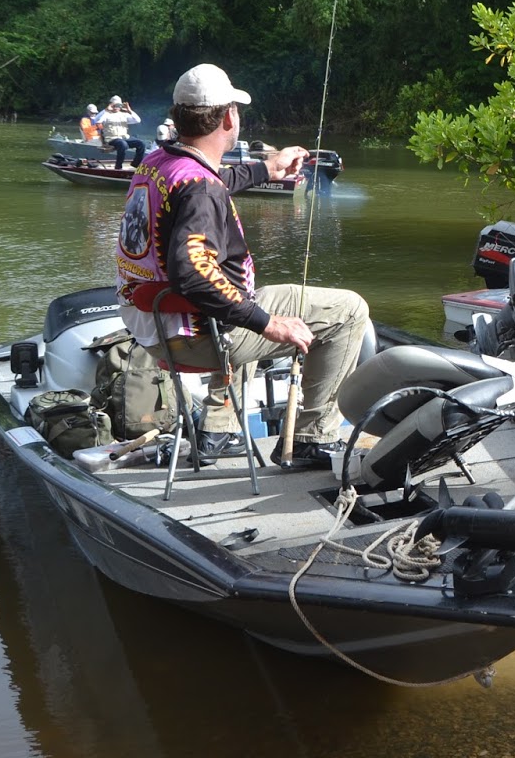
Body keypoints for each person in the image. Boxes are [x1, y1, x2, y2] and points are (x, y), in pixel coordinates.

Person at [115, 63, 371, 469]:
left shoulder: (158, 163)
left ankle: (219, 428)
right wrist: (267, 323)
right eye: (236, 109)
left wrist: (268, 168)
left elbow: (211, 183)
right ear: (228, 118)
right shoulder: (200, 189)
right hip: (200, 337)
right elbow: (192, 272)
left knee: (245, 297)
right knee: (349, 311)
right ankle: (314, 437)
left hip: (155, 328)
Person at [99, 95, 147, 169]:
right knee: (123, 144)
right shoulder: (106, 115)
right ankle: (118, 167)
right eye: (114, 105)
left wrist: (129, 110)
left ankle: (136, 164)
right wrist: (106, 110)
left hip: (124, 138)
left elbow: (137, 120)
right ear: (111, 105)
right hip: (112, 139)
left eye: (118, 105)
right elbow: (96, 120)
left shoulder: (124, 115)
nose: (116, 107)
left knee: (141, 144)